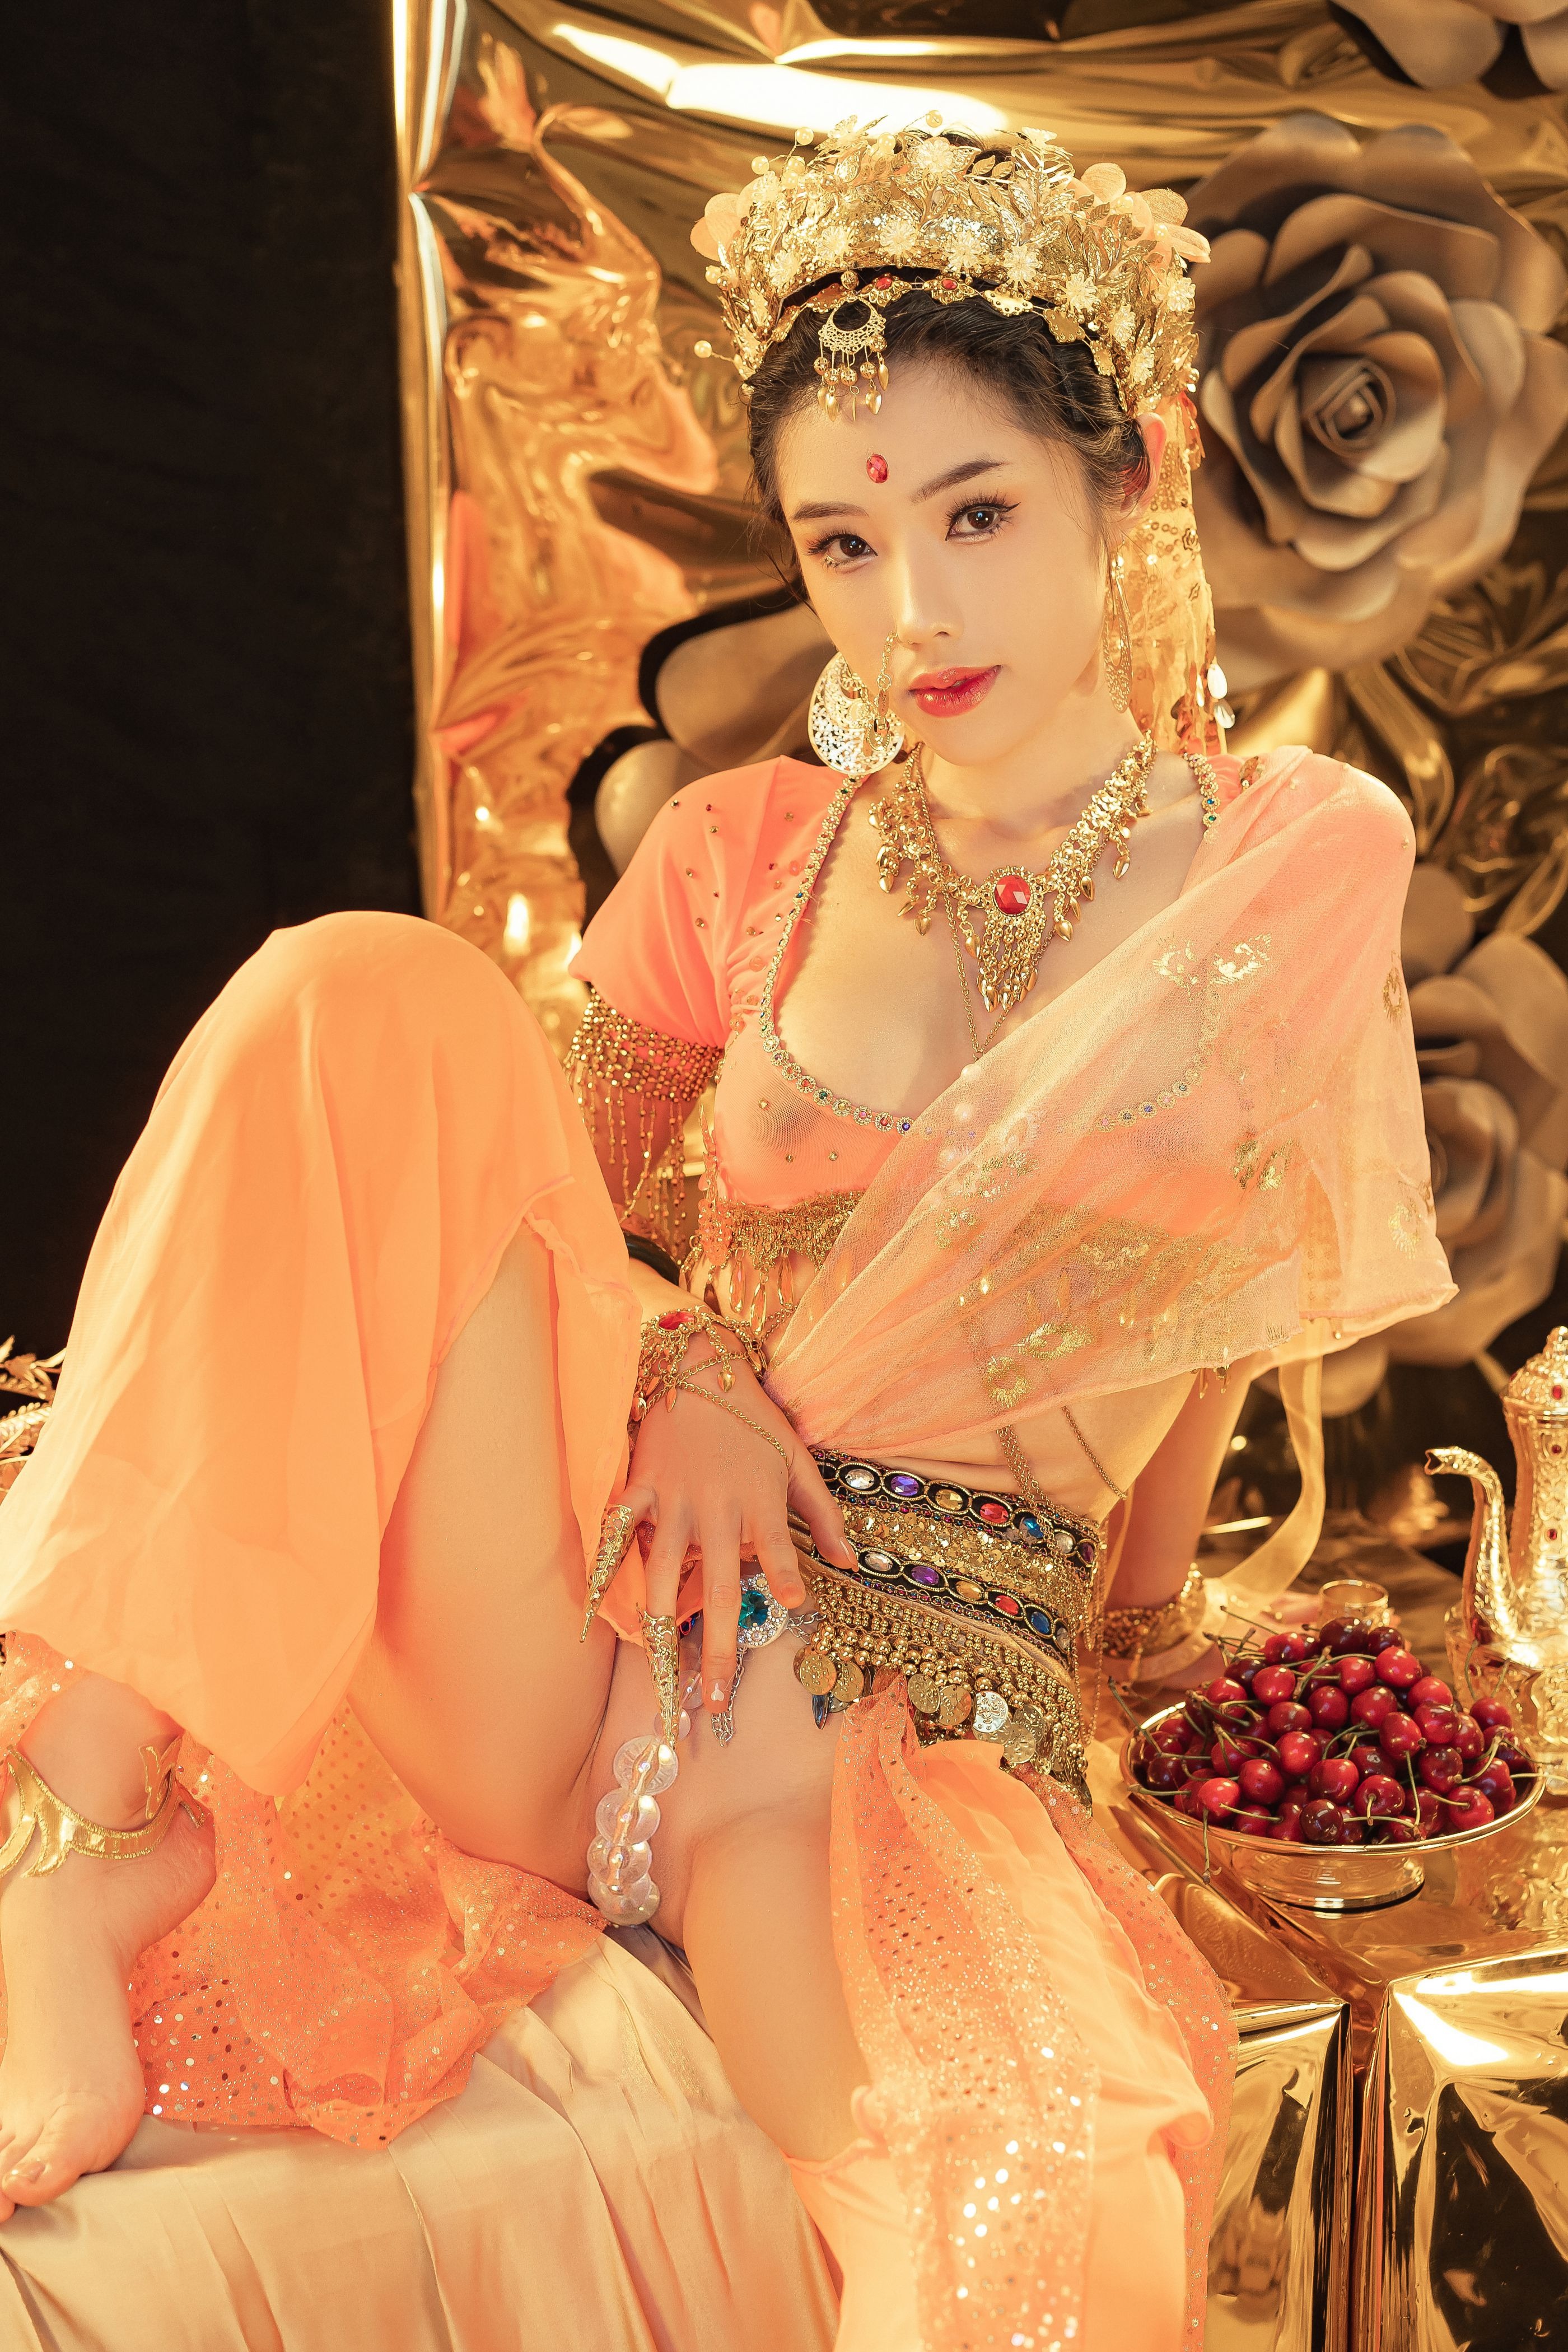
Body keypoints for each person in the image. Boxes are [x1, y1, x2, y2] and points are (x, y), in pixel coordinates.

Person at [0, 121, 1450, 2351]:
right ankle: (88, 1858)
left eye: (975, 517)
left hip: (891, 1736)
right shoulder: (738, 850)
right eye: (843, 543)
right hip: (586, 1610)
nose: (911, 610)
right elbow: (535, 1212)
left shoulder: (1289, 857)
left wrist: (1157, 1644)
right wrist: (678, 1365)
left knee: (1030, 2212)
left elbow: (1219, 1316)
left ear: (1131, 475)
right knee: (361, 988)